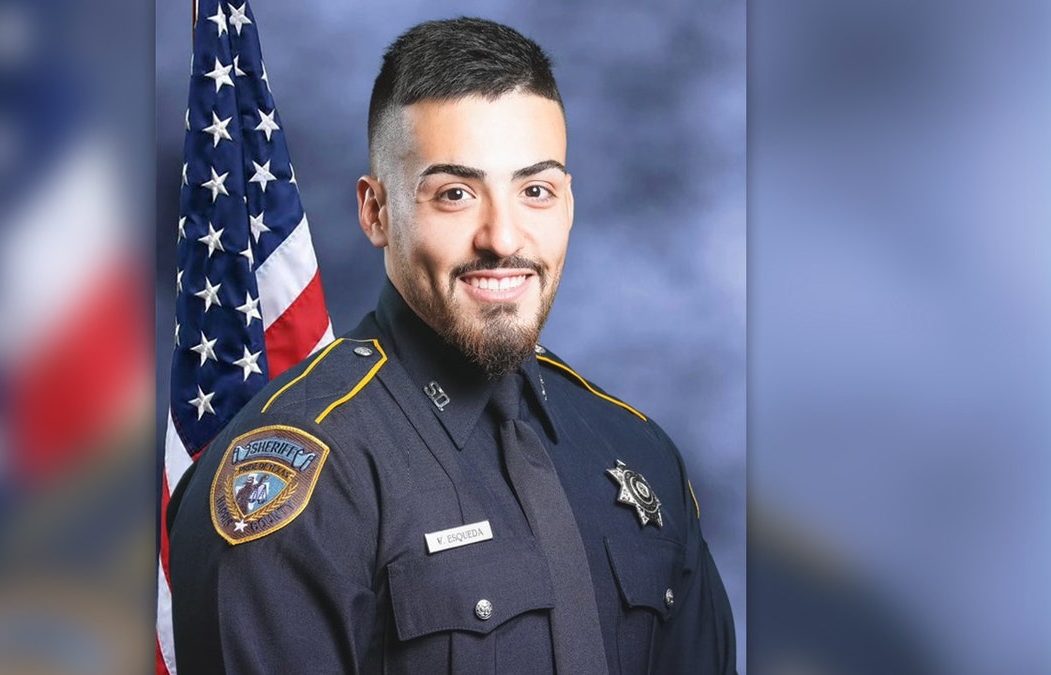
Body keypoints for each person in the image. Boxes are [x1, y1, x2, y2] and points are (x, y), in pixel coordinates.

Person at [169, 17, 737, 674]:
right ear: (376, 212)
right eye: (456, 194)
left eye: (535, 190)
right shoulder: (306, 484)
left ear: (569, 204)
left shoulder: (638, 454)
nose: (503, 236)